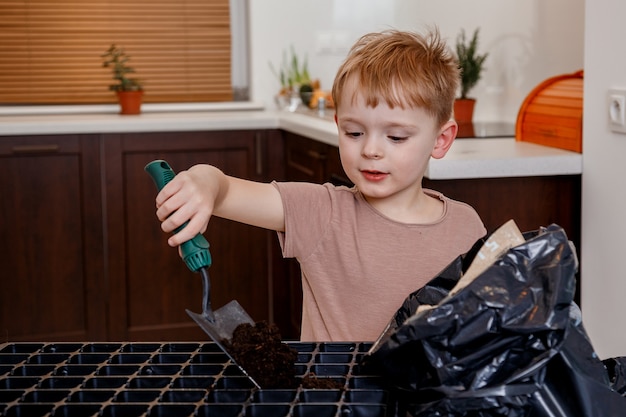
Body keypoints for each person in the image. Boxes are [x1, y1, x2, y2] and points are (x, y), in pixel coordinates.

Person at [154, 28, 486, 342]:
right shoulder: (322, 212)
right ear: (338, 125)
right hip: (331, 397)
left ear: (441, 140)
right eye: (354, 133)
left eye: (396, 137)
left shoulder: (466, 226)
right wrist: (204, 181)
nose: (370, 149)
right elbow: (226, 190)